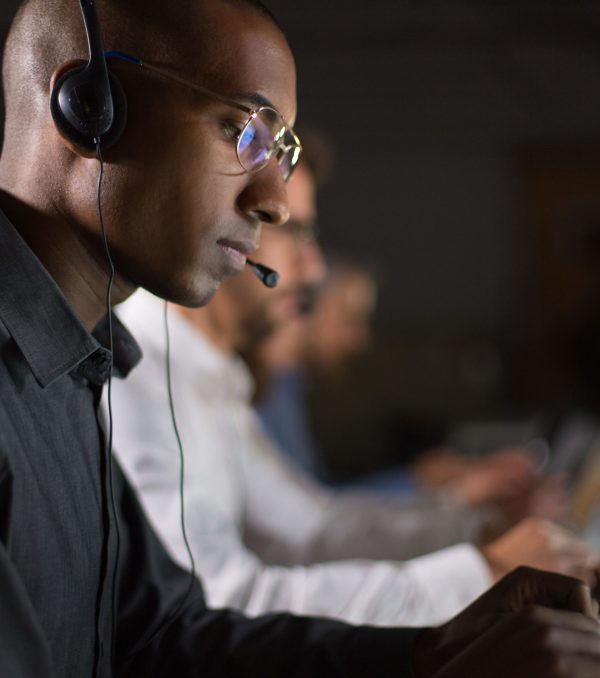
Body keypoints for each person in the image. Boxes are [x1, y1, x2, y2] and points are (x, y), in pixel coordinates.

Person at [2, 0, 600, 676]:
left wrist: (433, 655)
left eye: (276, 149)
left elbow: (165, 637)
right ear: (90, 109)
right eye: (238, 130)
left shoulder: (78, 370)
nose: (274, 200)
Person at [112, 156, 598, 626]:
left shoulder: (209, 374)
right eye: (296, 232)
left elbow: (313, 531)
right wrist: (484, 573)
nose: (314, 271)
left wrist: (478, 533)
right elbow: (214, 604)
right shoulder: (140, 375)